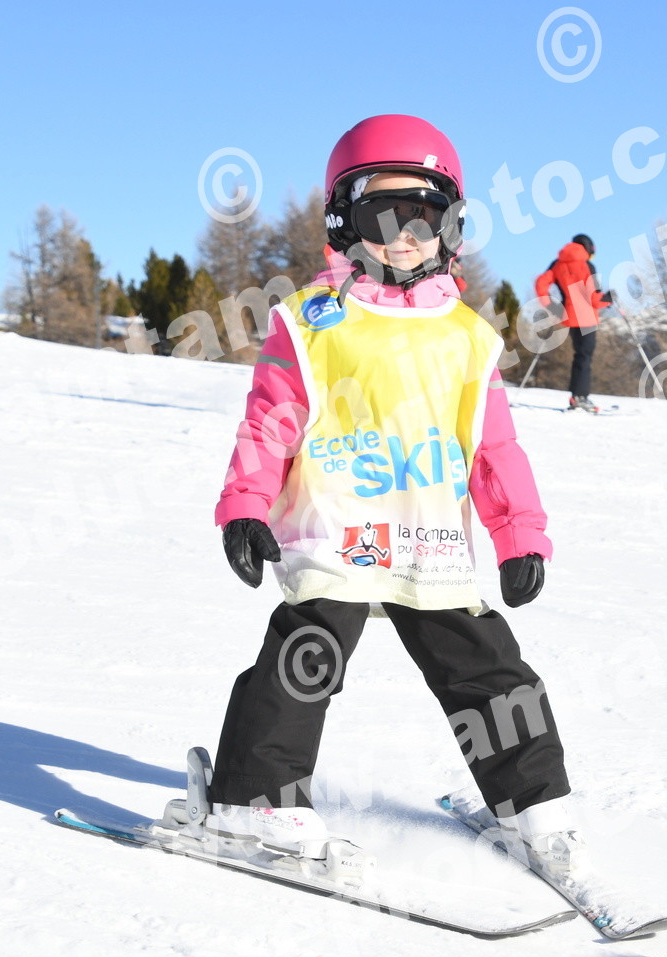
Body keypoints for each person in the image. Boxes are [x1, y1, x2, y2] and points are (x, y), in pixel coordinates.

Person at [206, 114, 584, 878]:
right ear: (345, 222)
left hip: (429, 536)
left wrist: (519, 536)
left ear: (451, 225)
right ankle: (254, 799)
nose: (404, 235)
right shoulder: (313, 323)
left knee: (486, 665)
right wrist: (245, 503)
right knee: (307, 655)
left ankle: (531, 800)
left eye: (423, 215)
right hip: (337, 526)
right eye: (383, 215)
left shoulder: (466, 335)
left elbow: (493, 449)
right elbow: (270, 424)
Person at [534, 234, 613, 412]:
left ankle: (577, 396)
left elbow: (541, 284)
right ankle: (580, 397)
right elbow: (594, 298)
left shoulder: (557, 263)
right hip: (586, 317)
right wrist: (608, 299)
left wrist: (553, 307)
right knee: (584, 356)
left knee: (580, 355)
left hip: (569, 316)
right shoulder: (587, 265)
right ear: (588, 248)